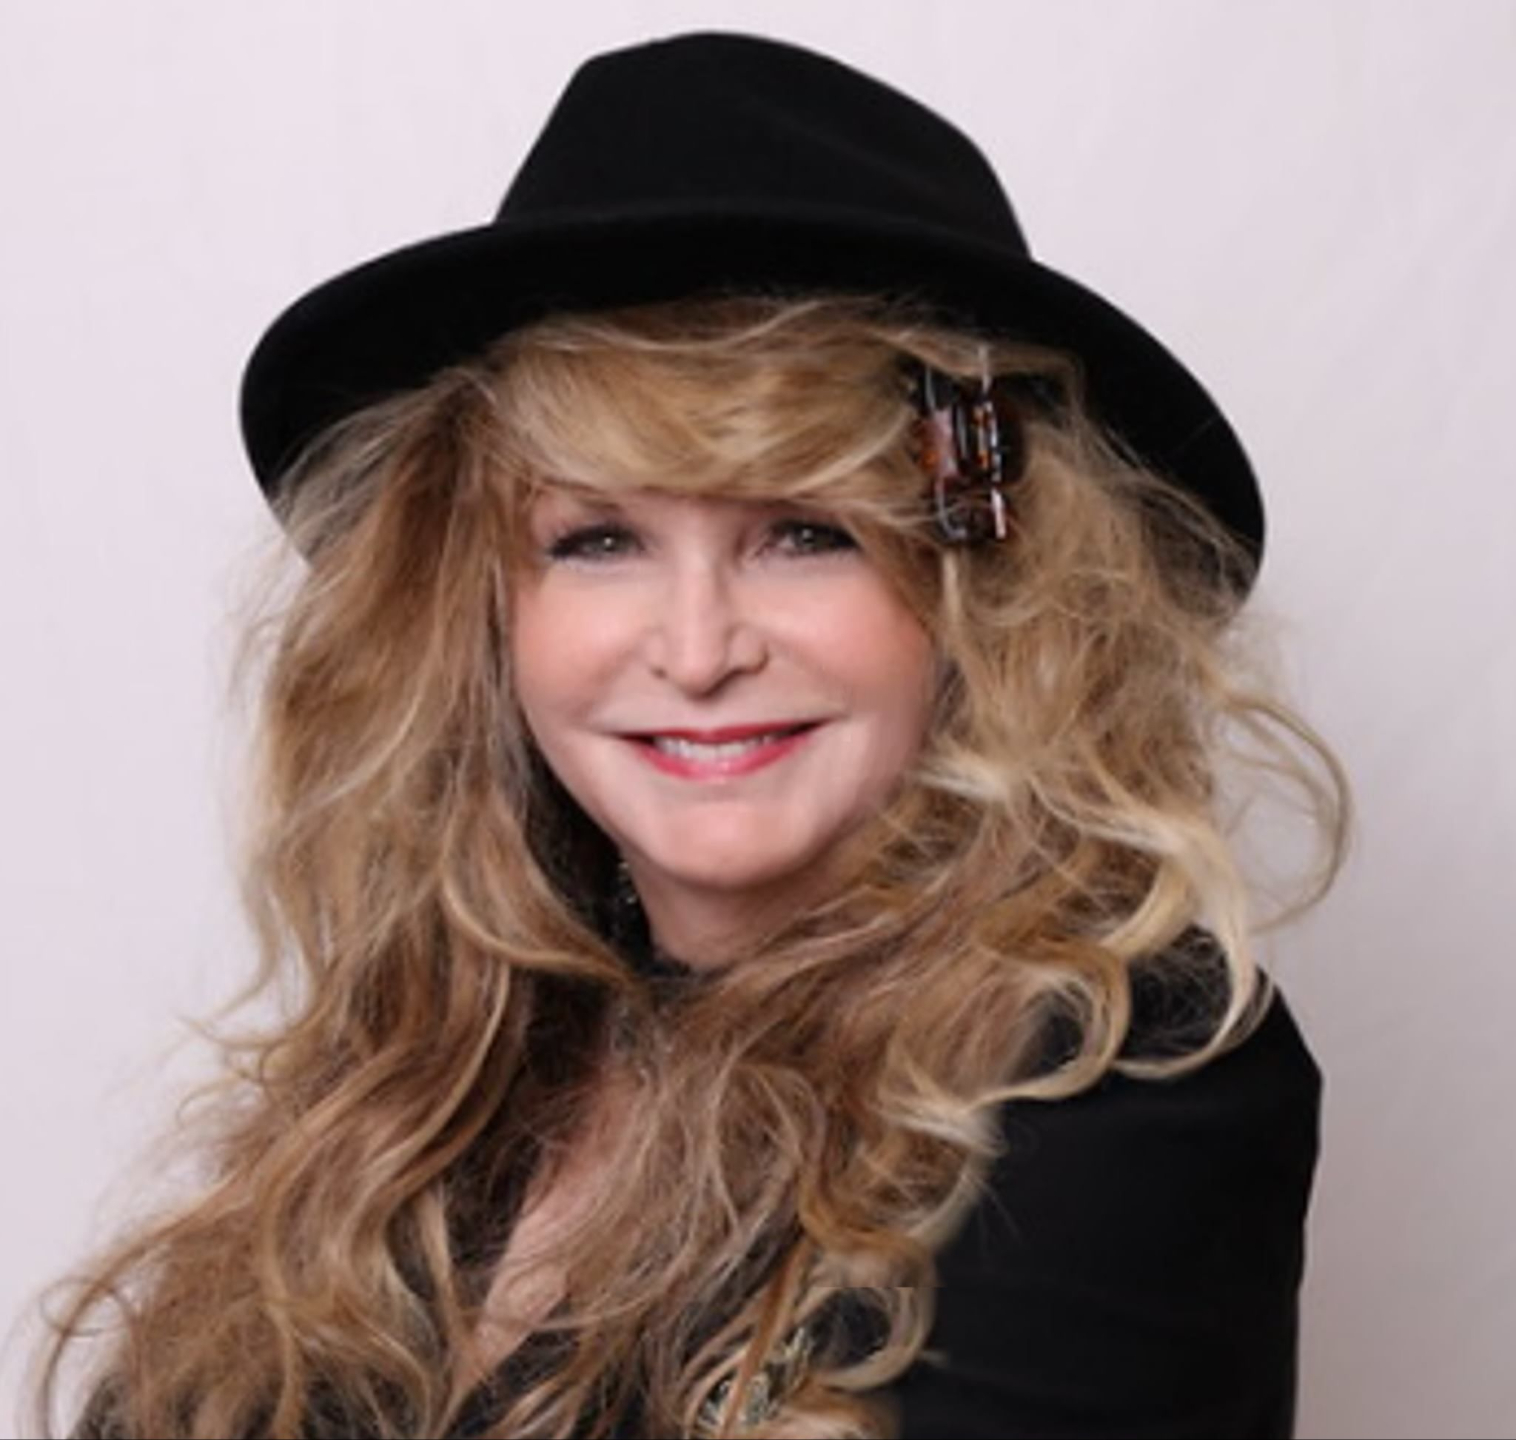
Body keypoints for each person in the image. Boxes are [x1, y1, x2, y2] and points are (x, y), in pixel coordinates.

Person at [40, 31, 1348, 1440]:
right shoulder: (443, 1066)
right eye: (598, 539)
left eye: (806, 533)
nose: (698, 647)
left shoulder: (1117, 1072)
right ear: (478, 611)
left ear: (992, 594)